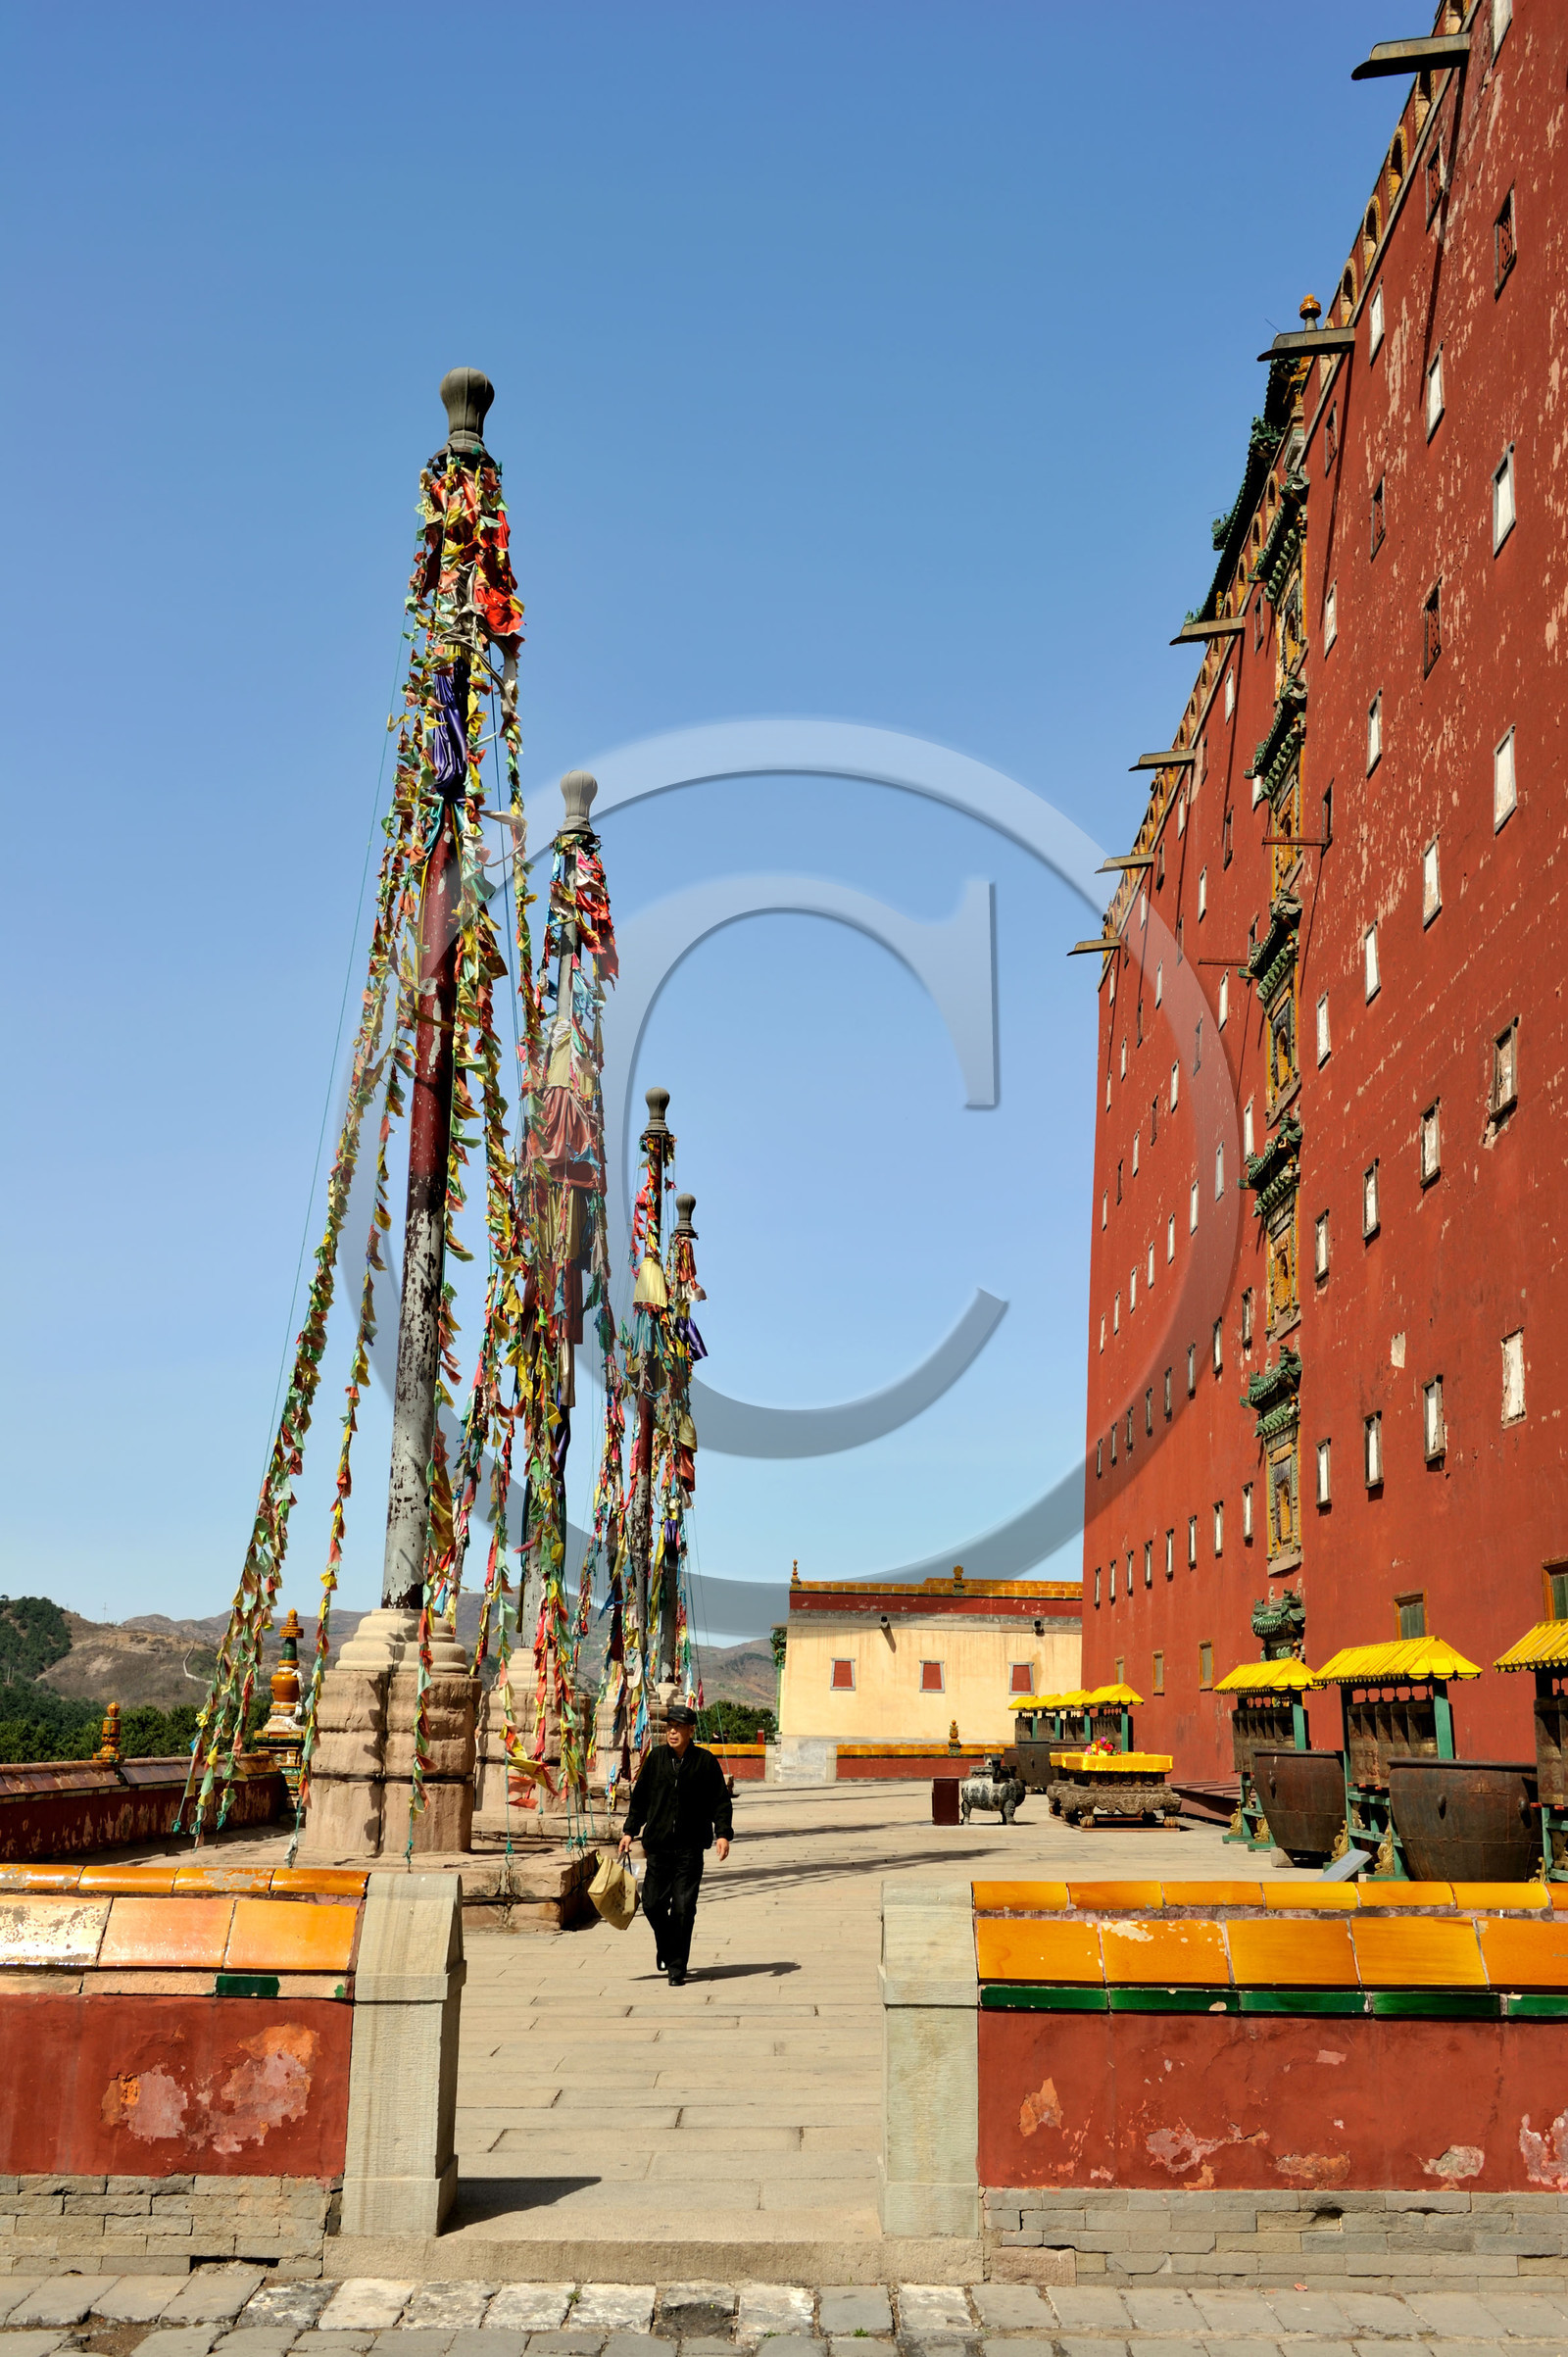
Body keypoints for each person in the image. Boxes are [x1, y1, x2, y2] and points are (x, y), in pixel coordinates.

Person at [618, 1702, 732, 1985]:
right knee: (652, 1904)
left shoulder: (705, 1762)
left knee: (683, 1908)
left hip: (689, 1849)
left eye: (678, 1727)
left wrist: (722, 1834)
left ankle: (677, 1967)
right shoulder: (656, 1759)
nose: (672, 1732)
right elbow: (641, 1799)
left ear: (690, 1730)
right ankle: (668, 1946)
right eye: (669, 1727)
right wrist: (630, 1831)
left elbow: (720, 1801)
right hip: (658, 1848)